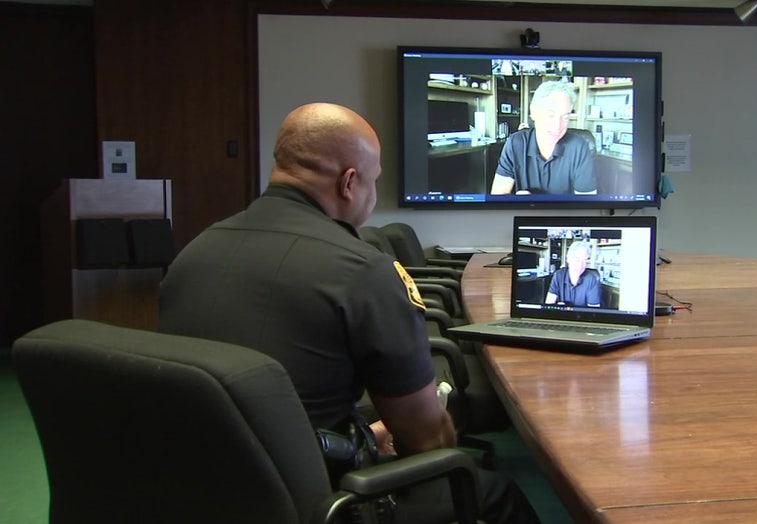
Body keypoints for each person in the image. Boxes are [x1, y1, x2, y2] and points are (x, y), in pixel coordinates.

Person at [158, 103, 539, 523]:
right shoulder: (360, 270)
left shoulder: (194, 252)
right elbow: (427, 440)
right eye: (374, 182)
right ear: (349, 183)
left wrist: (359, 436)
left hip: (203, 490)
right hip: (320, 503)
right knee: (494, 492)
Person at [490, 80, 597, 195]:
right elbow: (498, 195)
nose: (557, 126)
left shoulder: (579, 147)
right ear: (534, 112)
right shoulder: (515, 143)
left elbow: (585, 204)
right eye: (551, 115)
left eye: (565, 117)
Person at [545, 241, 601, 307]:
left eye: (584, 261)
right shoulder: (558, 275)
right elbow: (548, 306)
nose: (581, 265)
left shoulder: (592, 279)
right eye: (577, 260)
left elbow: (593, 312)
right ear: (568, 259)